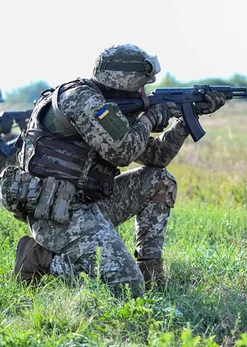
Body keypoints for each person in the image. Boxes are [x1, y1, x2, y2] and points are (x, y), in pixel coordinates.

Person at [0, 44, 226, 298]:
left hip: (90, 203)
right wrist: (149, 118)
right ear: (124, 80)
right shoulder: (81, 99)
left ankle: (151, 274)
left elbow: (156, 156)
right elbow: (123, 151)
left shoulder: (110, 107)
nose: (144, 89)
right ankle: (40, 260)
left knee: (160, 180)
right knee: (127, 286)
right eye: (141, 83)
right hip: (58, 214)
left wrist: (186, 119)